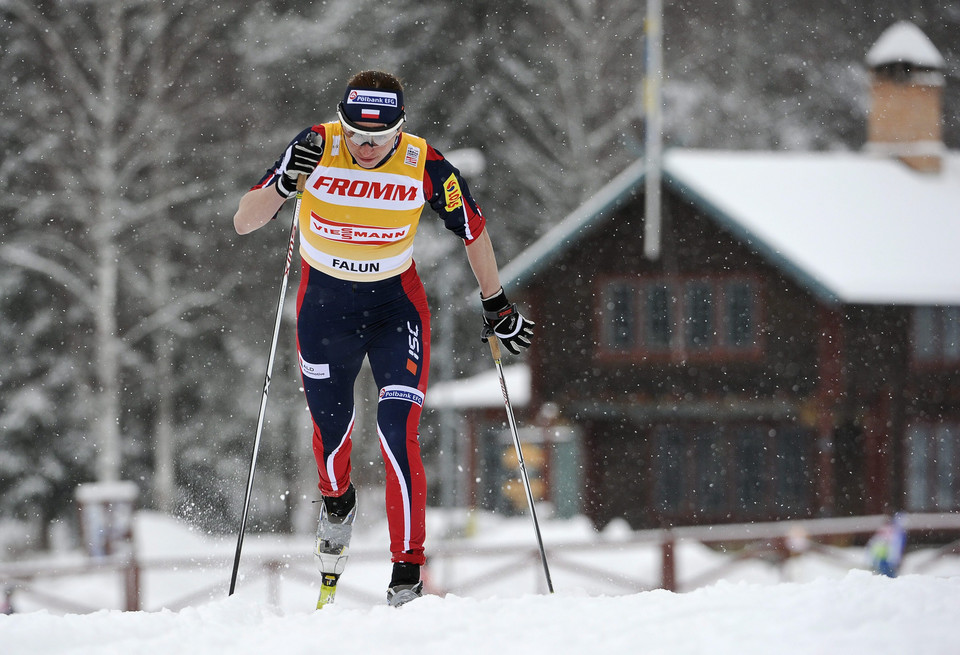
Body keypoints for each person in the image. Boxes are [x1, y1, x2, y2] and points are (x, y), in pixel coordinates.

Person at [233, 70, 534, 607]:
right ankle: (337, 500)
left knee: (398, 431)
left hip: (396, 309)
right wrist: (283, 185)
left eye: (379, 135)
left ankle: (407, 572)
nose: (366, 146)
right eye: (355, 133)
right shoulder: (315, 146)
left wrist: (496, 302)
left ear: (401, 127)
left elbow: (474, 229)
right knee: (331, 432)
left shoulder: (425, 163)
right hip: (324, 309)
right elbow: (243, 221)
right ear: (341, 123)